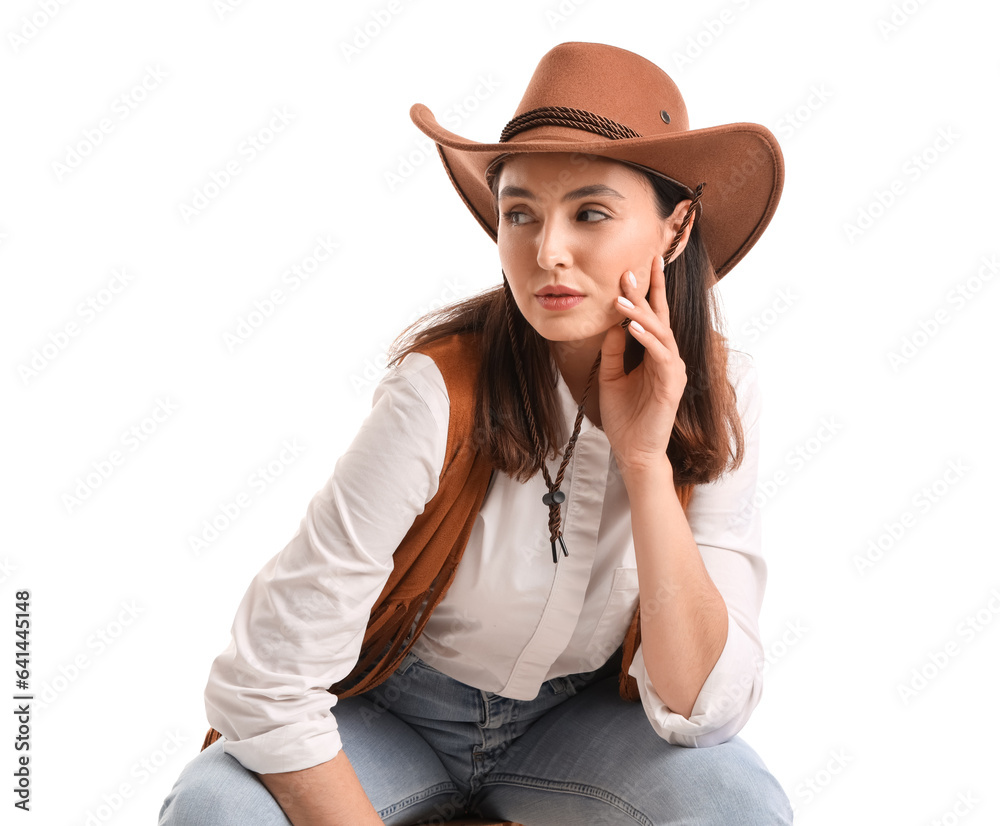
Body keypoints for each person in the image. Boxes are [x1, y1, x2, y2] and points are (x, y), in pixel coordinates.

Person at [159, 41, 792, 825]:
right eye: (520, 212)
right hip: (393, 715)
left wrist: (643, 460)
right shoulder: (436, 391)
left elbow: (705, 707)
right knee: (217, 806)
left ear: (677, 225)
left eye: (591, 212)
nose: (546, 253)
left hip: (573, 726)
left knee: (735, 802)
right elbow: (264, 677)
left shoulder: (724, 395)